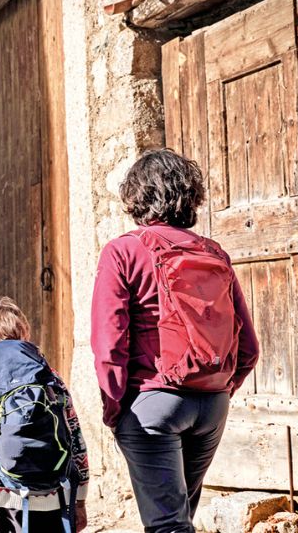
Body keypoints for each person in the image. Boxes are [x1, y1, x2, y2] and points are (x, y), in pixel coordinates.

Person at [91, 149, 260, 533]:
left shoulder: (123, 251)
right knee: (180, 518)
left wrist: (114, 407)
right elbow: (248, 347)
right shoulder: (213, 252)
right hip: (212, 405)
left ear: (137, 197)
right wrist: (217, 390)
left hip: (152, 404)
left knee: (168, 525)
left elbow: (109, 342)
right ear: (189, 196)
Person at [0, 297, 89, 533]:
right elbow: (75, 438)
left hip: (4, 501)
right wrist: (80, 499)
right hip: (55, 496)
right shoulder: (50, 377)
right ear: (24, 333)